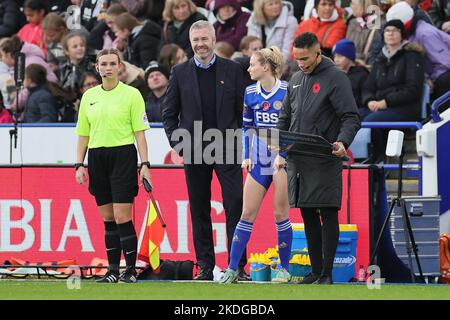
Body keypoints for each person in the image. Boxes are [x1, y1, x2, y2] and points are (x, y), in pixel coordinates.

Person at [162, 20, 248, 281]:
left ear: (213, 39)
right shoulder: (179, 72)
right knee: (199, 208)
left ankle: (237, 266)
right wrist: (180, 145)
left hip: (228, 148)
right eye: (196, 40)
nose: (200, 44)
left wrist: (243, 145)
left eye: (204, 39)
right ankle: (205, 266)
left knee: (235, 205)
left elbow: (243, 112)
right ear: (191, 42)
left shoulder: (233, 70)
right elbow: (169, 115)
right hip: (194, 149)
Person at [277, 32, 360, 284]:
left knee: (327, 211)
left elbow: (351, 117)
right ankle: (315, 271)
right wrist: (278, 143)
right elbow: (285, 117)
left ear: (317, 52)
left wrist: (343, 142)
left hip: (325, 155)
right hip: (299, 158)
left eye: (305, 58)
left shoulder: (336, 78)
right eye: (297, 59)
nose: (301, 63)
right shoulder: (295, 79)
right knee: (307, 213)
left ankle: (327, 273)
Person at [75, 48, 151, 283]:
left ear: (119, 67)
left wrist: (145, 164)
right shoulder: (89, 97)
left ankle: (129, 270)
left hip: (123, 156)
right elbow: (83, 134)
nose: (108, 68)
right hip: (97, 158)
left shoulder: (132, 95)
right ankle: (112, 271)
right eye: (103, 64)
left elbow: (140, 134)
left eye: (112, 64)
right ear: (97, 67)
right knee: (107, 218)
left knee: (122, 216)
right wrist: (79, 164)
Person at [220, 46, 293, 284]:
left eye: (252, 64)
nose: (249, 68)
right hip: (259, 158)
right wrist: (247, 155)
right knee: (247, 213)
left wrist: (284, 153)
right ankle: (232, 269)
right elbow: (247, 127)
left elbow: (293, 128)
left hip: (281, 160)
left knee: (280, 213)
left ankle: (283, 268)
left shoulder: (287, 91)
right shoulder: (250, 92)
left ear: (266, 67)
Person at [361, 19, 425, 162]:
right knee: (356, 116)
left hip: (405, 108)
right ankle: (359, 160)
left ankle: (380, 160)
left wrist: (386, 102)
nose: (390, 34)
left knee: (372, 121)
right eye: (387, 31)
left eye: (395, 30)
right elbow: (368, 87)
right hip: (380, 106)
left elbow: (412, 90)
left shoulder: (412, 56)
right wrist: (369, 100)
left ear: (402, 34)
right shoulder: (380, 58)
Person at [332, 39, 369, 109]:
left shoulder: (362, 75)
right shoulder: (335, 75)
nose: (336, 59)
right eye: (335, 56)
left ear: (349, 57)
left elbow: (363, 98)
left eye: (340, 56)